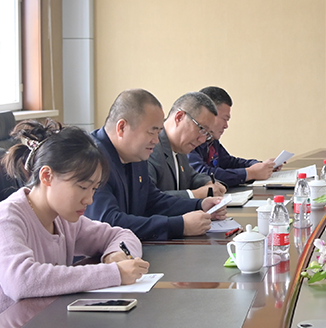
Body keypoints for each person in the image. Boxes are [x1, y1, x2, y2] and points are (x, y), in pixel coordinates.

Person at [0, 120, 149, 328]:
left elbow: (121, 235)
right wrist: (112, 273)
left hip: (33, 323)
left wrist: (115, 255)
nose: (89, 200)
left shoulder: (63, 217)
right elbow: (21, 281)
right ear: (47, 176)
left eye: (94, 189)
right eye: (83, 187)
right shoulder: (5, 220)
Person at [86, 89, 226, 240]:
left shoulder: (135, 155)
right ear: (122, 128)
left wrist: (199, 205)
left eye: (158, 133)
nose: (156, 140)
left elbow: (153, 200)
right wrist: (179, 226)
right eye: (151, 132)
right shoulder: (92, 159)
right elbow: (108, 222)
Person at [188, 86, 278, 188]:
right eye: (224, 119)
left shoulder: (211, 140)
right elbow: (203, 174)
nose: (226, 126)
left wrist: (261, 166)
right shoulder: (189, 141)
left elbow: (229, 162)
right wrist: (250, 173)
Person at [148, 92, 226, 199]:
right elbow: (149, 198)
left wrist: (209, 183)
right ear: (179, 117)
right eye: (202, 129)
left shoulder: (180, 147)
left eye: (207, 134)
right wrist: (195, 194)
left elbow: (191, 177)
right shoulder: (150, 148)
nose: (202, 140)